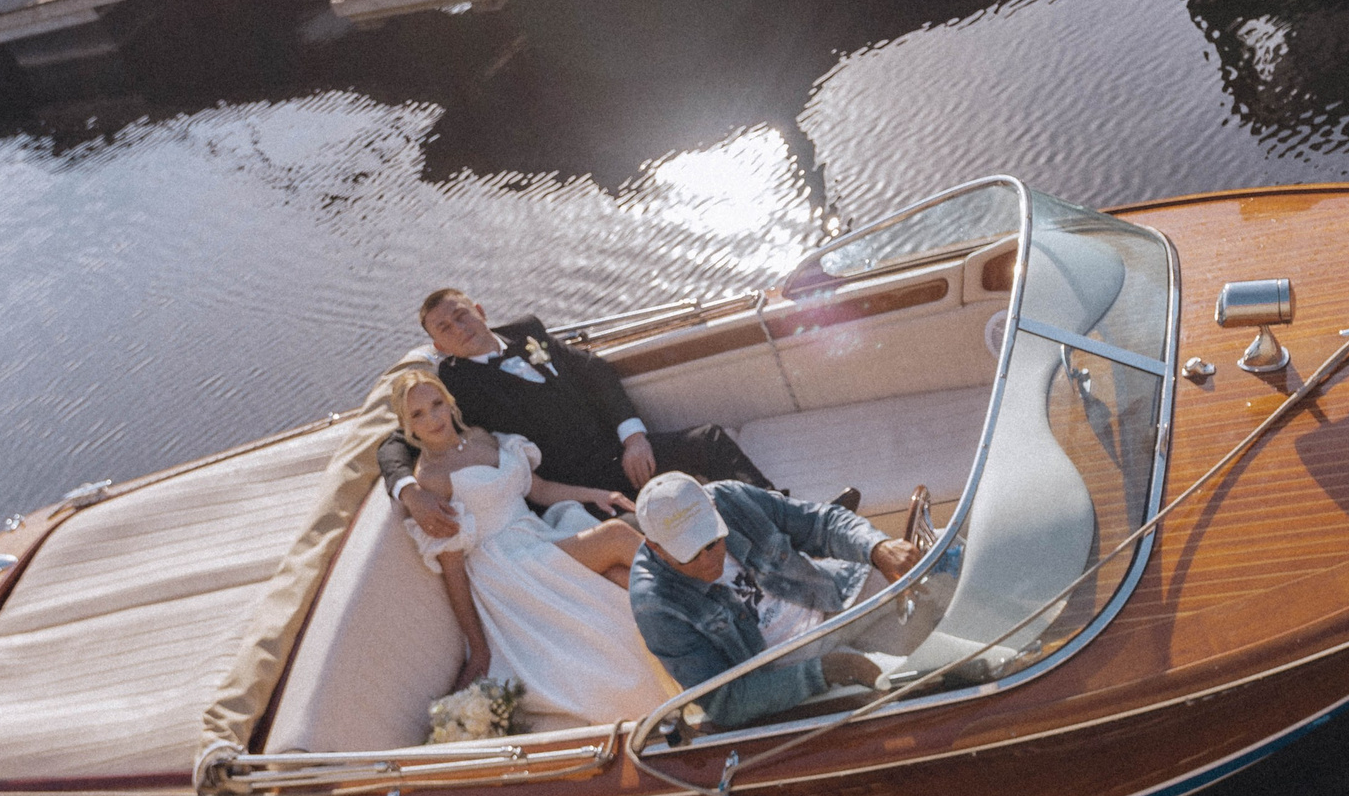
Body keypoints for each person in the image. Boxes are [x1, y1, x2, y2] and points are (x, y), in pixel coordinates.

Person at [380, 287, 779, 542]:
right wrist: (409, 492)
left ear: (479, 310)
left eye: (461, 314)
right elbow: (395, 442)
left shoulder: (526, 329)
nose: (458, 328)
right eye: (445, 328)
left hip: (623, 453)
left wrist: (633, 437)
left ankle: (783, 515)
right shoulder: (456, 386)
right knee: (656, 527)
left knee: (708, 440)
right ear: (439, 345)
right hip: (575, 487)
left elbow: (596, 372)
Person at [394, 372, 678, 730]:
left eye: (436, 404)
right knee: (617, 536)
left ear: (450, 403)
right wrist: (478, 646)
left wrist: (594, 495)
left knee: (621, 581)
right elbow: (452, 568)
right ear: (408, 427)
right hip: (507, 566)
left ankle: (687, 653)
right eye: (418, 414)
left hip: (537, 535)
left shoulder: (482, 437)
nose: (433, 418)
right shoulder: (430, 480)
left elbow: (539, 489)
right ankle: (704, 584)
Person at [627, 473, 954, 730]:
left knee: (947, 556)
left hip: (833, 592)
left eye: (712, 542)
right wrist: (825, 671)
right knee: (931, 686)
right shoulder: (654, 605)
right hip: (797, 665)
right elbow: (726, 701)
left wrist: (877, 547)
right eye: (690, 555)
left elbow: (820, 522)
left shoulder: (730, 497)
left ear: (714, 511)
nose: (709, 559)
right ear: (656, 549)